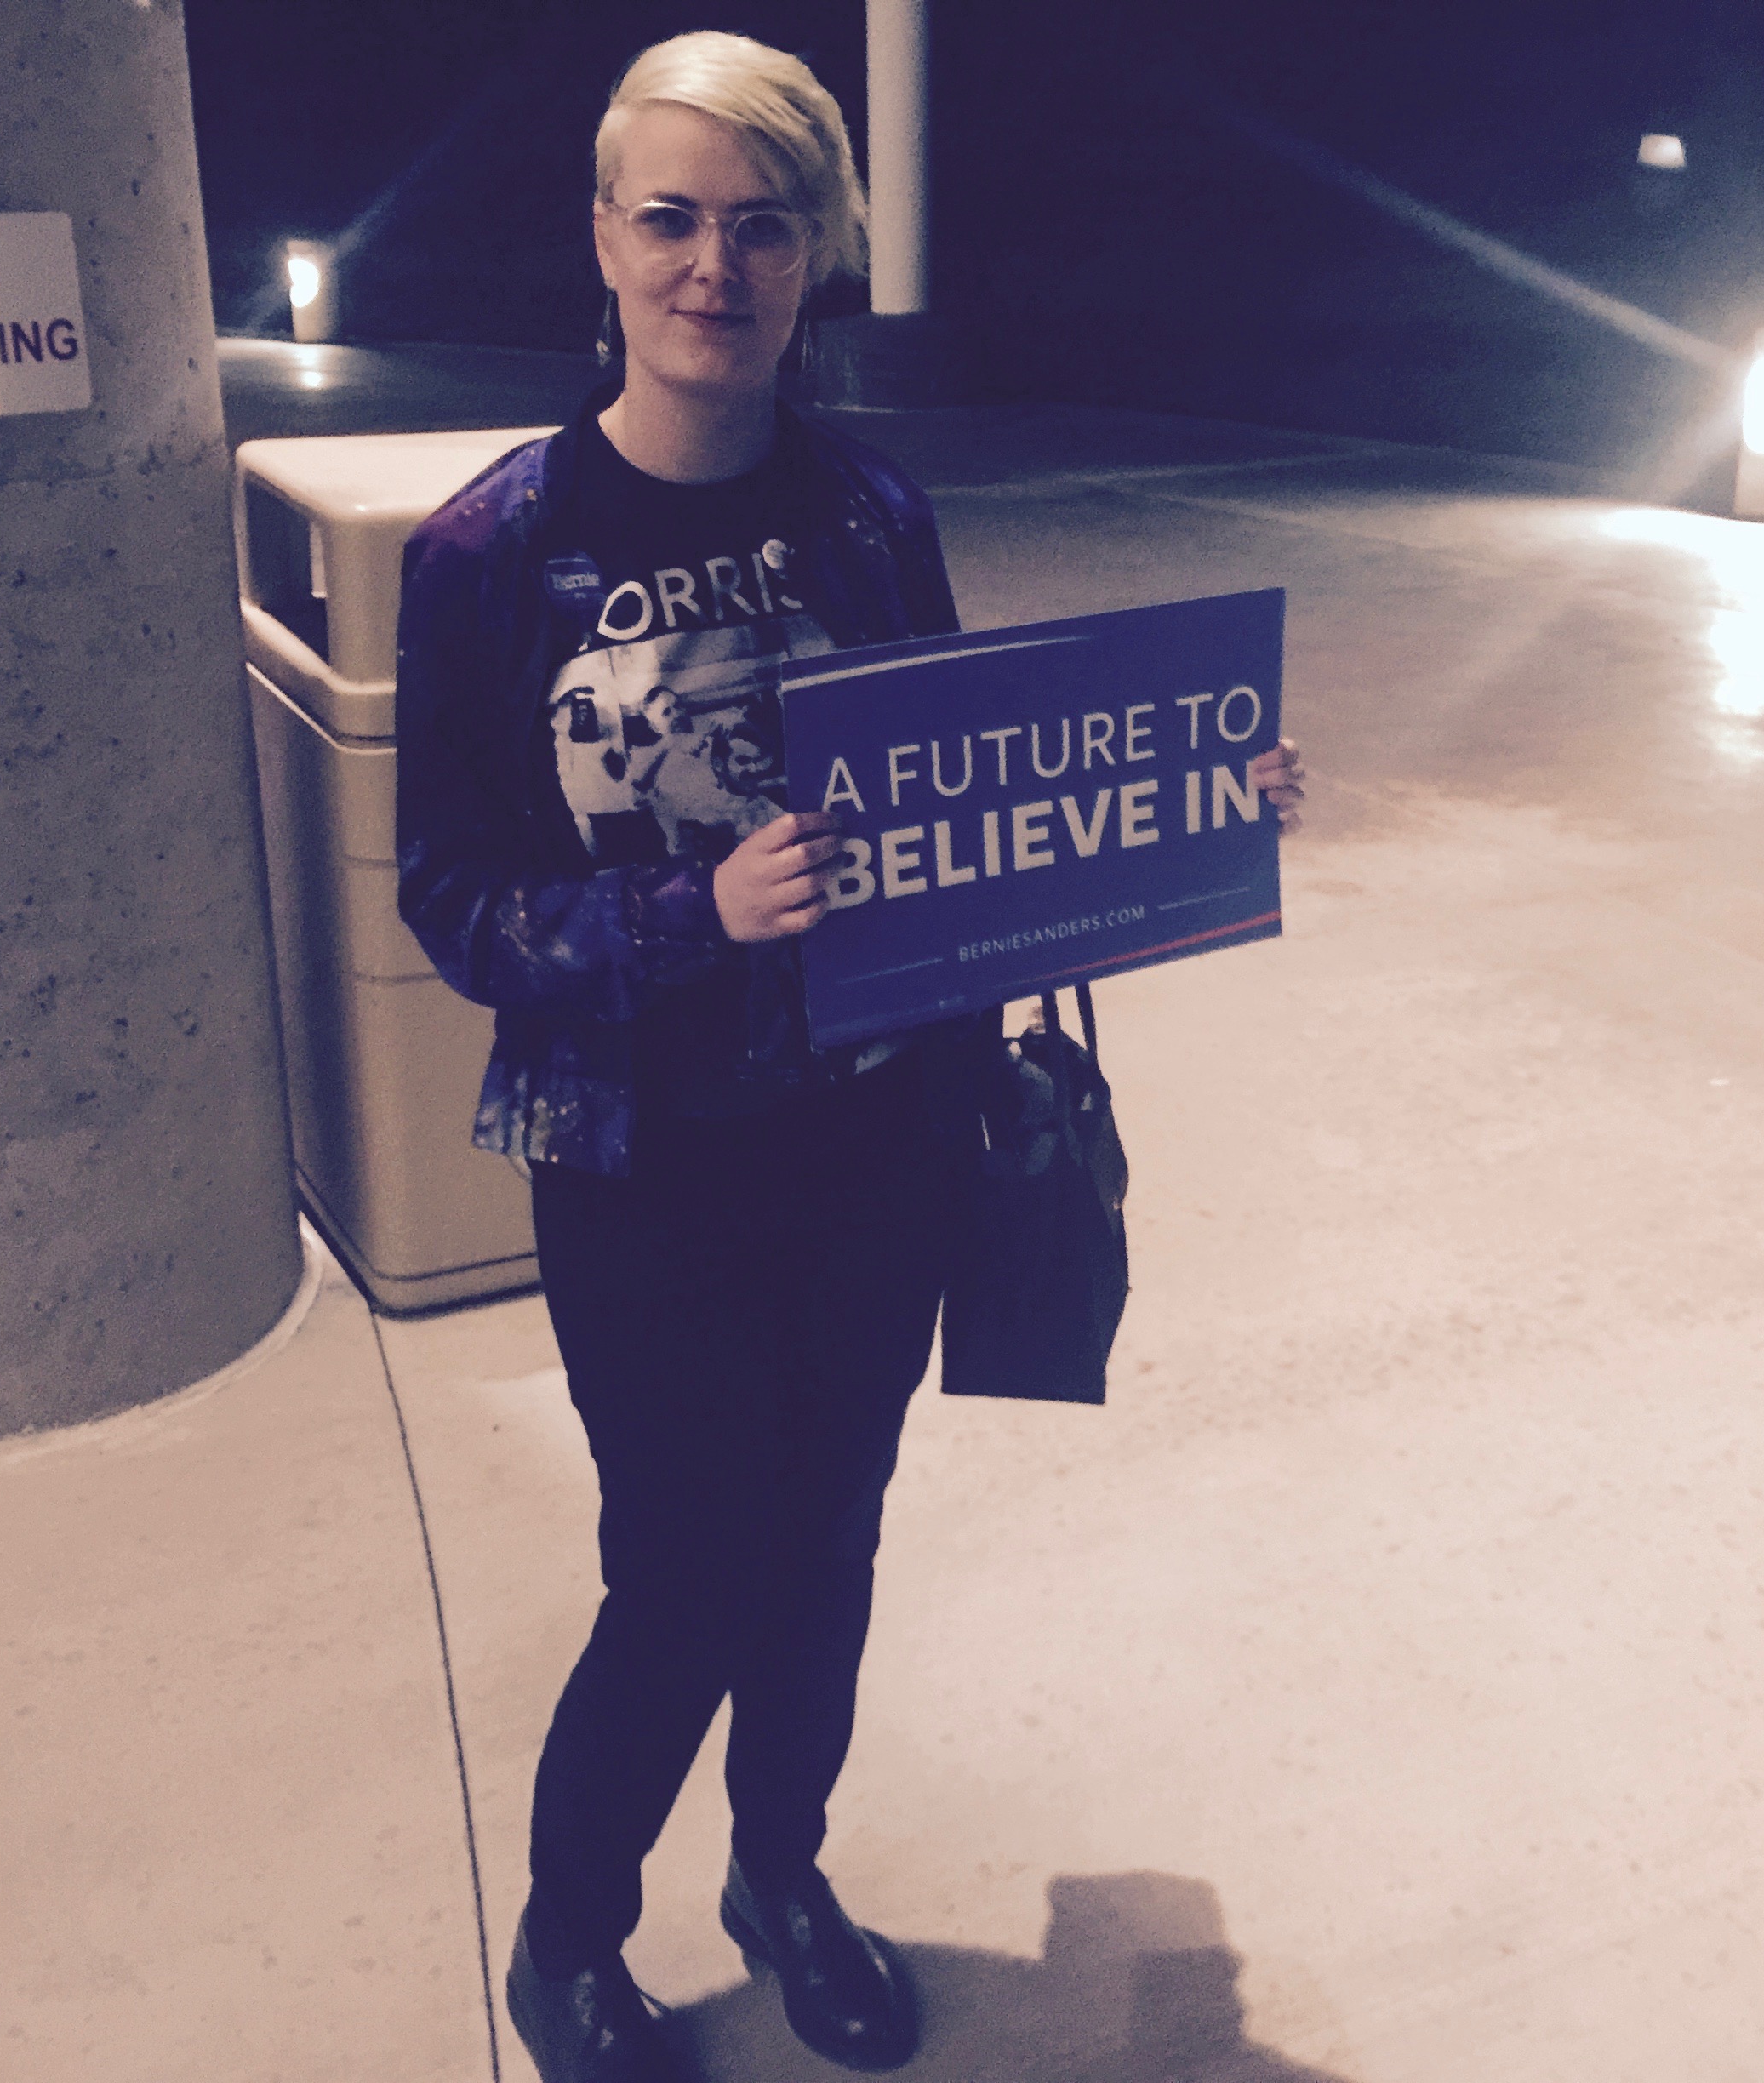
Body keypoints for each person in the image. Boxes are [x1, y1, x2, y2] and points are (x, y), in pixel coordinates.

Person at [393, 33, 1303, 2083]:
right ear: (606, 244)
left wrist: (1188, 799)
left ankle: (781, 1877)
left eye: (763, 222)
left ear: (817, 258)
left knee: (833, 1533)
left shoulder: (873, 516)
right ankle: (566, 1938)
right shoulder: (487, 555)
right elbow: (447, 902)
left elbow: (974, 812)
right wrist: (679, 918)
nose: (717, 262)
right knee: (686, 1562)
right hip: (639, 1165)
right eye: (673, 217)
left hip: (874, 1138)